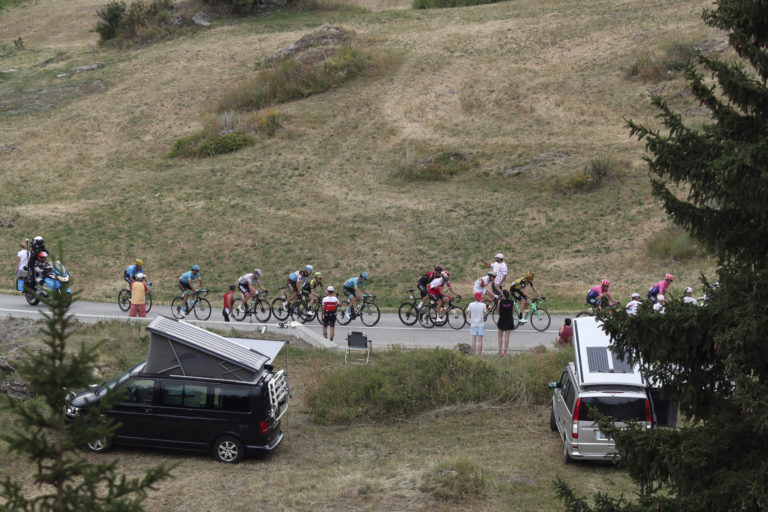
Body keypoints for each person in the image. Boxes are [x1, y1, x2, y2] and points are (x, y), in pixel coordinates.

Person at [496, 289, 515, 356]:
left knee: (500, 336)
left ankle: (500, 351)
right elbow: (512, 310)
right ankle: (505, 352)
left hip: (502, 318)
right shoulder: (512, 301)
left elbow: (498, 310)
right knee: (507, 336)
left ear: (503, 295)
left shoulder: (500, 301)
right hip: (509, 319)